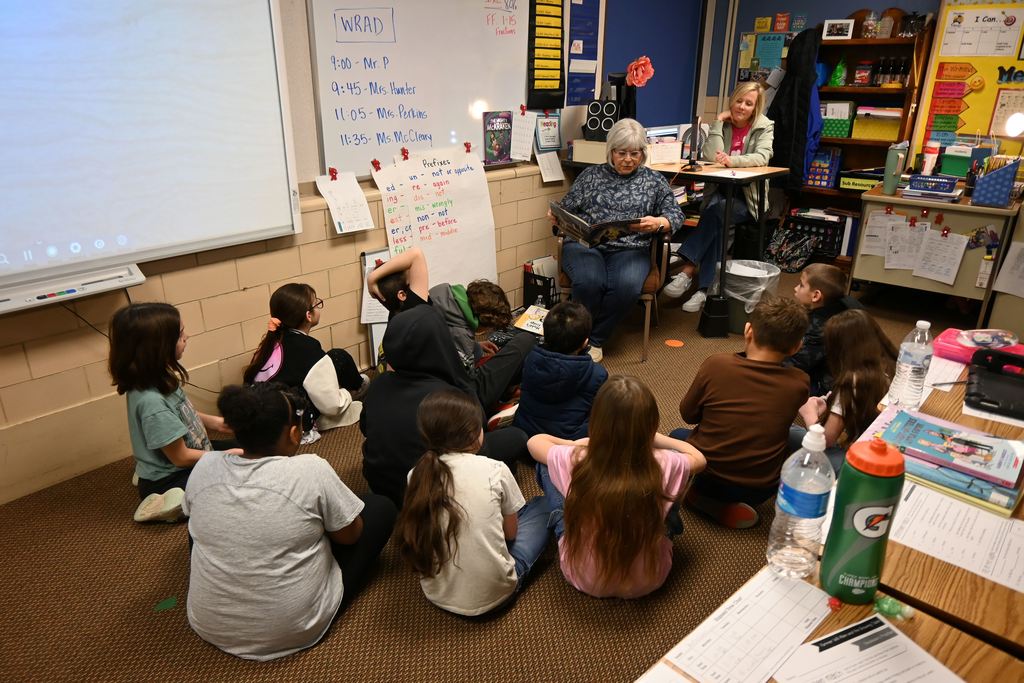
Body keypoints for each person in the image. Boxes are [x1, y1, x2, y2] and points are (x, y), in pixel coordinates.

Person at [183, 383, 395, 661]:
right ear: (294, 433)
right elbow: (350, 536)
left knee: (198, 528)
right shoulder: (310, 469)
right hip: (293, 629)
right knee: (380, 508)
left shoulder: (205, 465)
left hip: (207, 623)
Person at [528, 376, 706, 599]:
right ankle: (669, 523)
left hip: (582, 576)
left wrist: (581, 443)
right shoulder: (665, 462)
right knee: (679, 476)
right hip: (650, 578)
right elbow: (698, 458)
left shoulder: (577, 459)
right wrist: (654, 438)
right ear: (651, 426)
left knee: (545, 465)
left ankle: (561, 516)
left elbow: (535, 442)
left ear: (596, 423)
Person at [395, 390, 550, 616]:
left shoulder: (416, 475)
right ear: (473, 434)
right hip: (498, 595)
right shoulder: (494, 469)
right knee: (544, 507)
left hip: (437, 595)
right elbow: (510, 535)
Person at [360, 304, 530, 508]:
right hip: (430, 492)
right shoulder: (447, 398)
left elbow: (365, 426)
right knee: (516, 438)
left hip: (382, 487)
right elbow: (476, 436)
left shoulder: (379, 384)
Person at [552, 118, 684, 362]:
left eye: (635, 153)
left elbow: (675, 214)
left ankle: (594, 339)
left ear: (643, 153)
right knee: (590, 281)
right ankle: (576, 337)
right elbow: (565, 209)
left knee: (627, 286)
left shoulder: (653, 181)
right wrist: (557, 215)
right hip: (586, 245)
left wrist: (659, 223)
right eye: (621, 153)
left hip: (630, 249)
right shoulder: (591, 175)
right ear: (610, 151)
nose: (628, 159)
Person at [673, 294, 809, 529]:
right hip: (762, 489)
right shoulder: (800, 382)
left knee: (676, 435)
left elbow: (688, 414)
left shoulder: (716, 364)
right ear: (797, 346)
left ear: (748, 331)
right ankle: (718, 504)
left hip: (707, 474)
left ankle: (699, 498)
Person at [108, 302, 238, 523]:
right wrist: (226, 457)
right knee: (238, 477)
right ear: (158, 347)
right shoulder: (151, 402)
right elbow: (181, 457)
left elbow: (183, 414)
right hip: (171, 475)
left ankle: (147, 470)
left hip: (190, 452)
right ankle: (160, 501)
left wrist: (217, 423)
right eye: (180, 335)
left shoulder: (158, 378)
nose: (187, 336)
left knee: (252, 447)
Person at [367, 246, 534, 413]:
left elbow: (447, 340)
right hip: (460, 400)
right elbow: (464, 379)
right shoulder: (455, 330)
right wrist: (372, 279)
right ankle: (506, 396)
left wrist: (475, 346)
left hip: (420, 383)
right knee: (525, 341)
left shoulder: (425, 302)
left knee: (477, 352)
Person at [664, 82, 775, 313]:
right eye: (738, 101)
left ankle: (687, 269)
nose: (742, 107)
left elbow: (762, 157)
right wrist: (716, 123)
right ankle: (704, 291)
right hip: (720, 192)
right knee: (717, 216)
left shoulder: (764, 127)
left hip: (748, 199)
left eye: (748, 103)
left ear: (755, 108)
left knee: (716, 212)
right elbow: (709, 155)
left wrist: (732, 161)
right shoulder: (723, 125)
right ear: (731, 100)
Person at [243, 283, 365, 438]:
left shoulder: (270, 342)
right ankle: (321, 417)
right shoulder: (308, 349)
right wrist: (346, 394)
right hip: (287, 419)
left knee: (335, 357)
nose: (319, 307)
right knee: (337, 361)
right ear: (309, 315)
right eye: (317, 304)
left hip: (261, 411)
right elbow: (333, 406)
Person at [791, 309, 897, 473]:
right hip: (884, 447)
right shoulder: (889, 365)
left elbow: (826, 441)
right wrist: (832, 402)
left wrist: (808, 413)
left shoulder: (852, 381)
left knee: (791, 433)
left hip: (857, 461)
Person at [513, 301, 608, 439]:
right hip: (566, 442)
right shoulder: (597, 374)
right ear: (585, 343)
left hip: (526, 432)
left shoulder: (530, 359)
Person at [785, 263, 862, 396]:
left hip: (830, 386)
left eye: (802, 285)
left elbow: (795, 365)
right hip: (854, 371)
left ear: (816, 295)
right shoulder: (845, 302)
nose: (796, 288)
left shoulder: (819, 329)